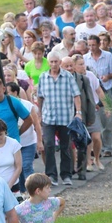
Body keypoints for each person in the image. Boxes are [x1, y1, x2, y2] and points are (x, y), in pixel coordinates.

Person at [37, 51, 82, 186]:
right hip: (48, 117)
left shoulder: (68, 77)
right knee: (49, 144)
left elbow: (76, 95)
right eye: (52, 62)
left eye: (56, 62)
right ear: (48, 63)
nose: (54, 64)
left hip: (65, 116)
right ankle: (51, 174)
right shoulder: (43, 77)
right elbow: (40, 97)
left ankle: (66, 174)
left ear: (60, 63)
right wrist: (39, 113)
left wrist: (78, 111)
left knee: (66, 146)